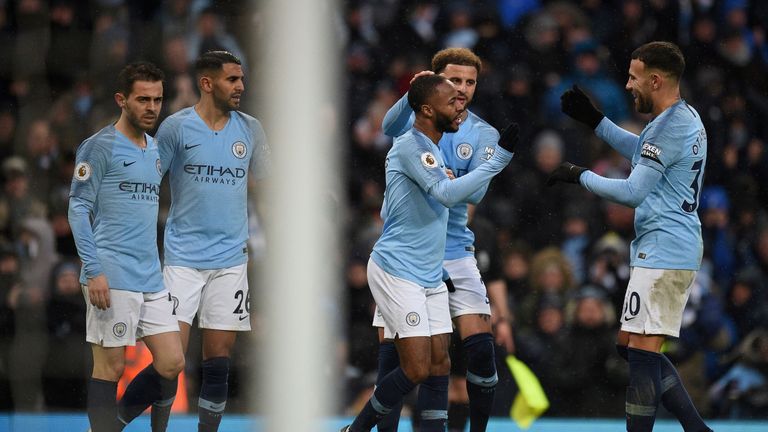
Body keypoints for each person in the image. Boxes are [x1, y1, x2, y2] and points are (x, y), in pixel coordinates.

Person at [547, 41, 713, 432]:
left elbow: (633, 191)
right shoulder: (680, 117)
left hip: (665, 250)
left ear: (655, 80)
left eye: (633, 77)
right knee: (630, 345)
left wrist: (579, 175)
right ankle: (698, 429)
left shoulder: (671, 125)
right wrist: (596, 122)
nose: (626, 85)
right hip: (664, 247)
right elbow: (642, 150)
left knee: (641, 353)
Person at [342, 74, 518, 432]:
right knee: (416, 367)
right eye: (451, 101)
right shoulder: (412, 145)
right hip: (397, 270)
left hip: (431, 273)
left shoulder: (434, 146)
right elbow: (447, 194)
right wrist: (497, 161)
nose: (460, 107)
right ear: (425, 109)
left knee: (440, 362)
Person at [155, 50, 270, 432]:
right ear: (207, 83)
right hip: (182, 258)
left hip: (231, 259)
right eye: (232, 79)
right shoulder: (175, 128)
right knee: (169, 360)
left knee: (219, 358)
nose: (241, 86)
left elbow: (268, 189)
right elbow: (148, 183)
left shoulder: (251, 129)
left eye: (241, 79)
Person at [68, 62, 185, 432]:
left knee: (171, 362)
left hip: (150, 276)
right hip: (110, 273)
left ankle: (108, 427)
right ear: (122, 100)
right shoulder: (98, 146)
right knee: (110, 367)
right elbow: (77, 209)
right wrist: (93, 269)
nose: (152, 107)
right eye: (143, 100)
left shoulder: (155, 149)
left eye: (157, 100)